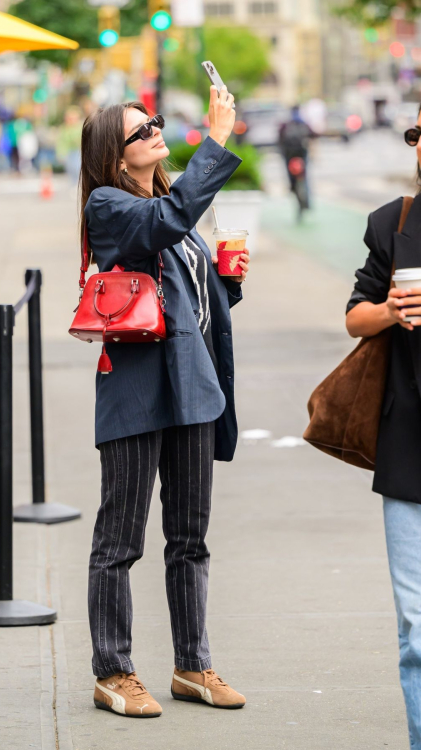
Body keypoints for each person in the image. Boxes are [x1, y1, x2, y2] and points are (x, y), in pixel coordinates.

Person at [79, 85, 250, 719]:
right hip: (135, 393)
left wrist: (225, 281)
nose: (154, 130)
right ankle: (113, 670)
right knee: (118, 540)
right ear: (115, 157)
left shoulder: (163, 205)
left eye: (154, 121)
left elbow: (188, 305)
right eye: (139, 130)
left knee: (190, 538)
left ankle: (192, 664)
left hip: (192, 389)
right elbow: (167, 222)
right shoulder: (110, 206)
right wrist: (218, 138)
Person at [345, 104, 421, 749]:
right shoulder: (392, 223)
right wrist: (390, 309)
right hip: (409, 444)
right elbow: (354, 317)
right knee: (418, 630)